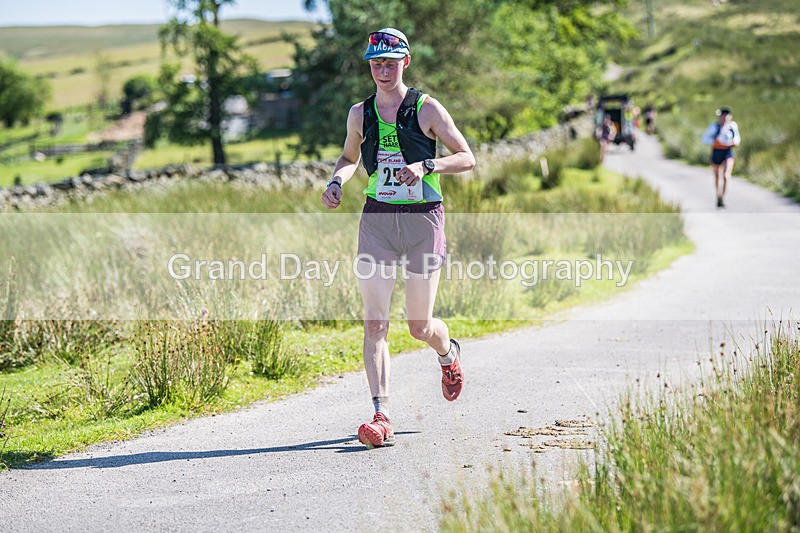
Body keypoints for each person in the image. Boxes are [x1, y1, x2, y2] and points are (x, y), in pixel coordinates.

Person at [320, 28, 476, 448]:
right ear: (369, 66)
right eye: (376, 63)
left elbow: (466, 157)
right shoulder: (360, 113)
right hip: (378, 220)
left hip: (423, 220)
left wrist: (428, 165)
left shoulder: (426, 108)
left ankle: (448, 354)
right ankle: (380, 413)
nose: (383, 70)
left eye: (390, 62)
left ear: (405, 62)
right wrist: (337, 180)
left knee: (419, 327)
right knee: (375, 322)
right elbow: (350, 157)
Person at [701, 106, 741, 208]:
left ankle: (722, 197)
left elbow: (737, 138)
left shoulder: (732, 126)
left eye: (726, 116)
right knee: (717, 176)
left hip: (728, 152)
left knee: (726, 175)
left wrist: (734, 142)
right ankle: (718, 196)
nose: (724, 118)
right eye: (722, 116)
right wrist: (714, 141)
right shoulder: (714, 127)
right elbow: (704, 139)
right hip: (717, 152)